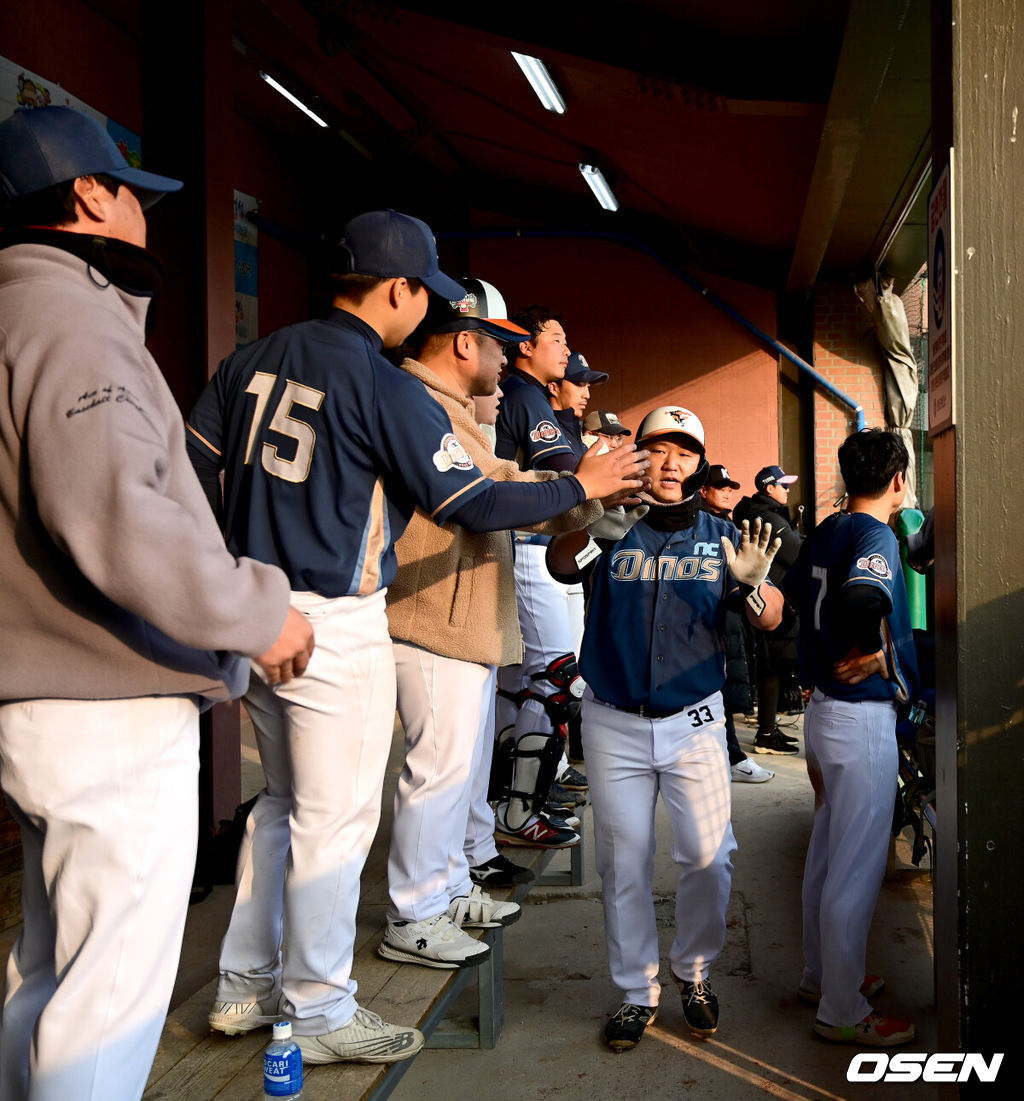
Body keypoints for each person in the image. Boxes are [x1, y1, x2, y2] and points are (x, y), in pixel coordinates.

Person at [186, 217, 646, 1064]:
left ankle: (244, 984)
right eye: (423, 290)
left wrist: (229, 572)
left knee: (282, 808)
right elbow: (469, 504)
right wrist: (581, 481)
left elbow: (187, 465)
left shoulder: (249, 357)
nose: (427, 305)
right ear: (396, 290)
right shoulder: (378, 376)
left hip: (250, 607)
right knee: (336, 819)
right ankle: (319, 1009)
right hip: (334, 613)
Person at [0, 105, 312, 1101]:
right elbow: (117, 517)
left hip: (42, 696)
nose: (144, 212)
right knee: (107, 1001)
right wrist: (256, 611)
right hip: (104, 699)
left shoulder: (15, 311)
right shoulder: (70, 318)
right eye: (132, 191)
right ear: (89, 193)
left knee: (50, 981)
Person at [382, 277, 615, 967]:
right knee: (437, 770)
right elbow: (479, 500)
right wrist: (581, 487)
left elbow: (503, 481)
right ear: (464, 342)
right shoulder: (420, 402)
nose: (505, 358)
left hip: (459, 611)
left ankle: (448, 885)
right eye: (497, 342)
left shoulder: (447, 406)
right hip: (430, 613)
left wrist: (583, 494)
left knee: (460, 765)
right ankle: (415, 912)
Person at [547, 406, 785, 1053]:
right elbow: (560, 565)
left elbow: (769, 618)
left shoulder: (722, 531)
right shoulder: (610, 521)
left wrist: (755, 588)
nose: (672, 461)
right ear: (641, 456)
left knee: (710, 856)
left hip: (695, 721)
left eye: (685, 450)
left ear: (698, 463)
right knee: (623, 862)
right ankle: (635, 990)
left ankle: (695, 970)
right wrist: (596, 519)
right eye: (659, 448)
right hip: (613, 721)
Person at [783, 428, 918, 1048]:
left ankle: (822, 976)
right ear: (897, 480)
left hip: (821, 713)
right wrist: (877, 653)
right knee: (855, 869)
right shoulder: (874, 533)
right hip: (857, 717)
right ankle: (841, 1009)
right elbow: (867, 595)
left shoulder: (829, 527)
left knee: (828, 855)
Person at [700, 465, 774, 784]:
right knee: (717, 691)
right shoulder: (699, 526)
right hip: (706, 622)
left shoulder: (727, 524)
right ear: (703, 490)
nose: (728, 491)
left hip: (728, 617)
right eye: (720, 487)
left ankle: (731, 756)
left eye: (730, 486)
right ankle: (732, 758)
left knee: (723, 692)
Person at [735, 465, 803, 755]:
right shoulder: (767, 517)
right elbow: (798, 552)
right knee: (772, 666)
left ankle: (768, 729)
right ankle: (765, 733)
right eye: (783, 485)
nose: (787, 489)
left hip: (770, 598)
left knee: (772, 668)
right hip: (769, 600)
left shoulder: (768, 513)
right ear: (768, 488)